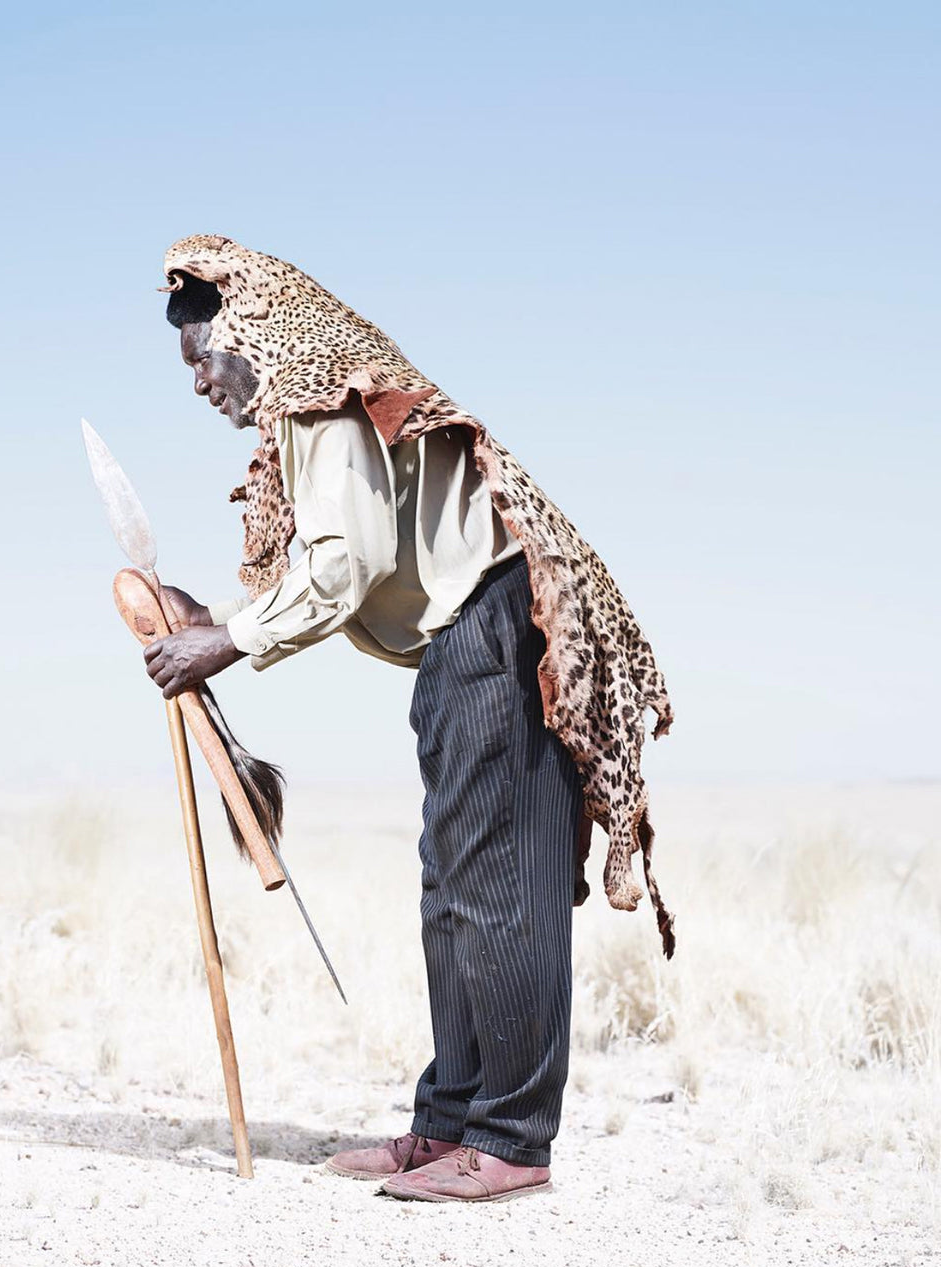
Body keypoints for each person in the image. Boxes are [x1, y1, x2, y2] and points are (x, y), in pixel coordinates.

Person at [143, 235, 675, 1202]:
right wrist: (214, 622)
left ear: (251, 335)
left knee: (498, 888)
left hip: (497, 630)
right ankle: (449, 1124)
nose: (196, 383)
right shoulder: (306, 413)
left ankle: (511, 1143)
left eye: (199, 358)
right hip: (458, 647)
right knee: (453, 889)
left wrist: (223, 645)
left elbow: (346, 565)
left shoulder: (321, 393)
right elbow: (333, 564)